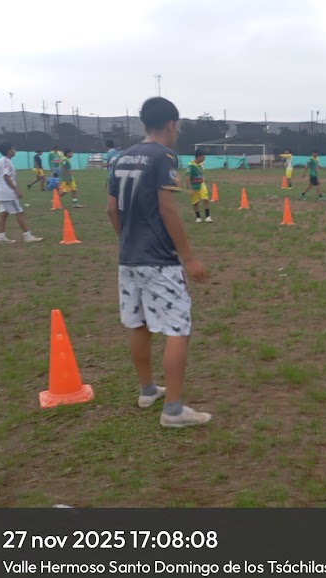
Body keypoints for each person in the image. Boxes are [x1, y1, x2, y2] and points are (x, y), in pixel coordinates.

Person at [106, 96, 211, 428]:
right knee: (178, 329)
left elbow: (111, 208)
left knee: (139, 324)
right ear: (171, 124)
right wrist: (189, 258)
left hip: (128, 258)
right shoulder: (164, 156)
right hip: (159, 261)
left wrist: (127, 240)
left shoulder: (121, 157)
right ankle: (174, 411)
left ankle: (147, 390)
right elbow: (167, 209)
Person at [0, 142, 44, 244]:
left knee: (4, 213)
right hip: (8, 193)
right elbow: (6, 176)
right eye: (13, 148)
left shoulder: (2, 160)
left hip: (2, 192)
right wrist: (16, 190)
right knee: (19, 212)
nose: (15, 150)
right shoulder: (5, 161)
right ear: (9, 150)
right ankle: (27, 236)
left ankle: (1, 237)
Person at [186, 148, 211, 223]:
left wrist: (204, 181)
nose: (204, 158)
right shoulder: (190, 165)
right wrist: (189, 188)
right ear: (198, 157)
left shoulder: (202, 164)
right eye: (203, 157)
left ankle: (207, 216)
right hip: (194, 186)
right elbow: (187, 177)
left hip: (202, 184)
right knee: (195, 202)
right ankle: (198, 217)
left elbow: (202, 174)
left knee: (205, 199)